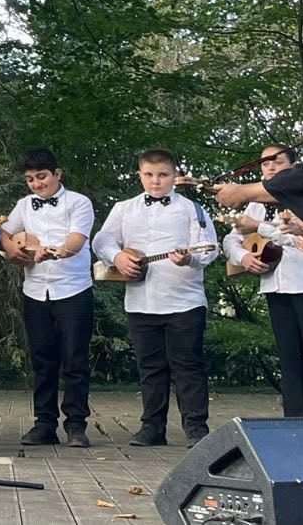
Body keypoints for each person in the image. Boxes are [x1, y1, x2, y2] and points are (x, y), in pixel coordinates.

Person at [92, 148, 219, 447]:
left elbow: (210, 247)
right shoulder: (124, 208)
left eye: (163, 175)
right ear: (140, 175)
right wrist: (118, 257)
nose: (155, 181)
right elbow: (102, 240)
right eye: (149, 175)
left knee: (187, 366)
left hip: (185, 301)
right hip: (141, 300)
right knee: (150, 367)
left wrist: (189, 259)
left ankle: (196, 429)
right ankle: (152, 428)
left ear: (175, 175)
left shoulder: (192, 209)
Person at [0, 148, 96, 448]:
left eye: (41, 177)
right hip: (35, 291)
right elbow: (2, 231)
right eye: (30, 179)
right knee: (42, 360)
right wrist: (14, 250)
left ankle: (76, 425)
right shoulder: (23, 205)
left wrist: (53, 251)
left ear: (57, 174)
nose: (37, 184)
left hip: (73, 290)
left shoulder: (79, 202)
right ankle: (44, 424)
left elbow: (76, 241)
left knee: (74, 359)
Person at [219, 145, 303, 416]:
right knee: (288, 356)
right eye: (265, 163)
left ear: (294, 167)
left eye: (277, 162)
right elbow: (231, 238)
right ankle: (294, 418)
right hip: (275, 286)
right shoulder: (255, 204)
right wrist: (243, 257)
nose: (271, 167)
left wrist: (261, 228)